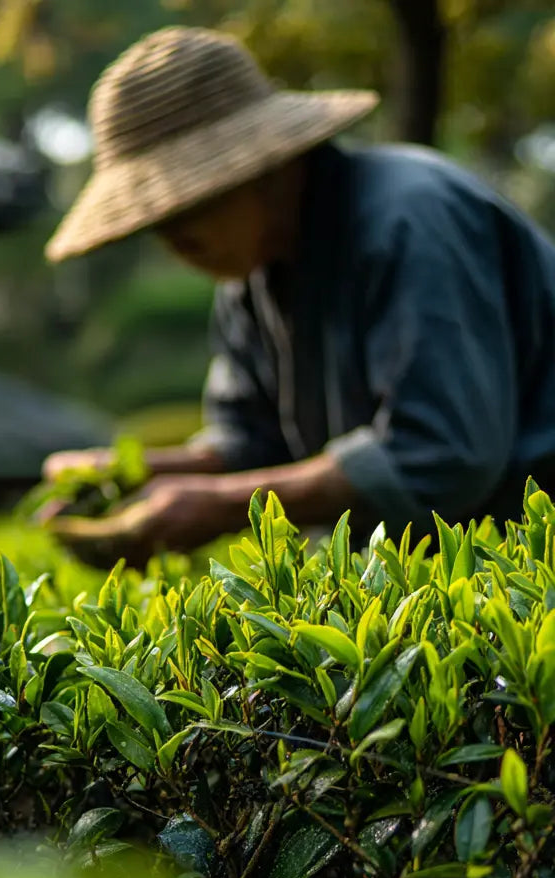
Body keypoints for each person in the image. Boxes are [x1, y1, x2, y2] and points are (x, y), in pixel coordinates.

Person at [40, 26, 555, 567]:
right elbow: (253, 446)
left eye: (185, 208)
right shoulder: (252, 276)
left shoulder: (410, 220)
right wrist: (128, 475)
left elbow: (443, 455)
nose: (173, 241)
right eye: (155, 222)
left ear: (262, 165)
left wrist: (219, 506)